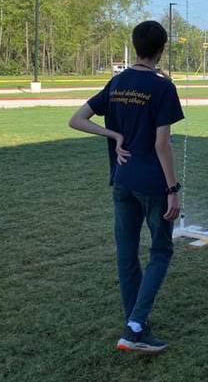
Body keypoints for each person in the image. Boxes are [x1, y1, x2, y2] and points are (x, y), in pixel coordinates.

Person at [69, 21, 183, 354]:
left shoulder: (117, 83)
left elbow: (77, 119)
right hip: (152, 183)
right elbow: (163, 144)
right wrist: (173, 188)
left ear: (135, 46)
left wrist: (115, 135)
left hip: (121, 180)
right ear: (162, 48)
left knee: (126, 253)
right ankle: (134, 328)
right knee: (161, 251)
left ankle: (136, 322)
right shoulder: (163, 87)